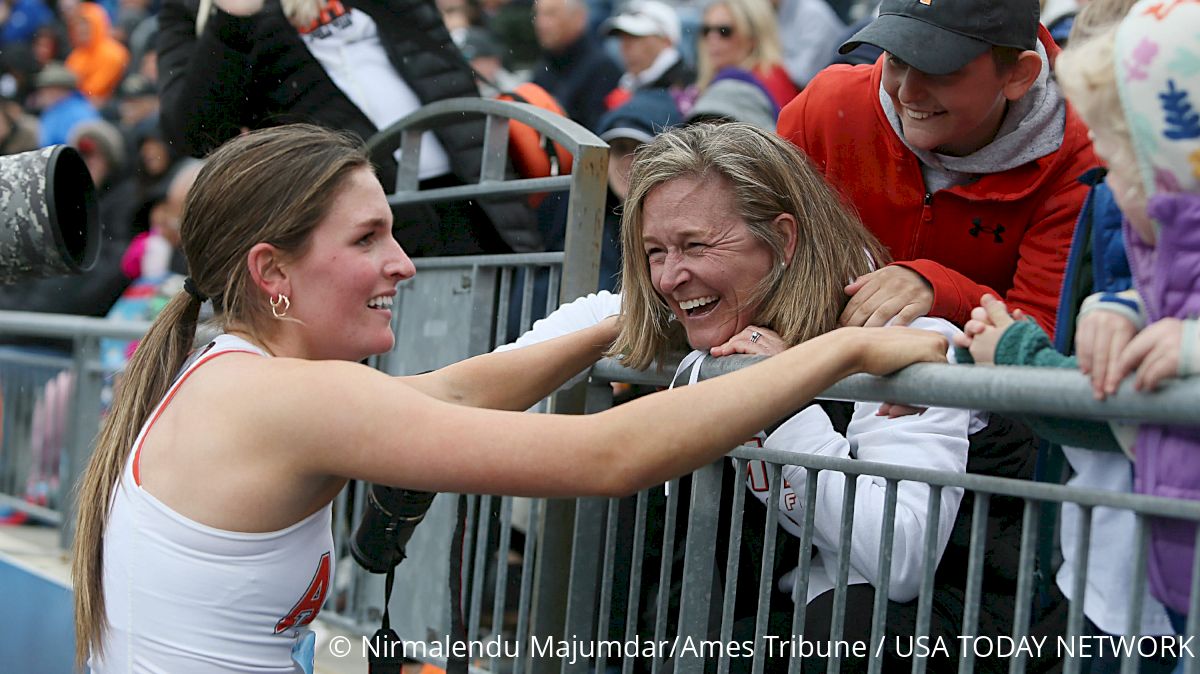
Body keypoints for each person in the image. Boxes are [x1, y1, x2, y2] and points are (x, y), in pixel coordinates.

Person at [70, 123, 948, 673]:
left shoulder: (233, 378)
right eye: (369, 237)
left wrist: (631, 322)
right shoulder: (286, 401)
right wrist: (845, 350)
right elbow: (608, 458)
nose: (403, 264)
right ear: (273, 273)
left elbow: (455, 388)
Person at [498, 122, 1023, 672]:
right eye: (655, 251)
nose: (671, 277)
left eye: (696, 245)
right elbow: (522, 360)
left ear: (784, 238)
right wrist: (628, 327)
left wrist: (785, 401)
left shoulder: (905, 336)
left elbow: (900, 562)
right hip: (794, 617)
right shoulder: (707, 304)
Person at [956, 0, 1200, 649]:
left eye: (1118, 161)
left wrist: (1011, 356)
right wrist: (1123, 306)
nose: (1105, 185)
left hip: (1146, 590)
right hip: (1126, 571)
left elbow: (1115, 407)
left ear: (1172, 164)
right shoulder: (1157, 240)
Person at [777, 0, 1098, 341]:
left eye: (939, 68)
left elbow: (1039, 336)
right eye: (897, 58)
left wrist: (941, 291)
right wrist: (766, 336)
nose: (908, 92)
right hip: (821, 376)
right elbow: (753, 255)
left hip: (965, 390)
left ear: (1018, 75)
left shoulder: (1076, 160)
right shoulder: (826, 108)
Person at [156, 0, 542, 257]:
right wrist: (231, 22)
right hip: (353, 217)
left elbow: (438, 59)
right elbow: (195, 131)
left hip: (472, 192)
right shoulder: (197, 10)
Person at [530, 0, 621, 131]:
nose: (540, 23)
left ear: (579, 18)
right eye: (537, 15)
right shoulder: (546, 65)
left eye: (551, 14)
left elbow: (595, 142)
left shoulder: (602, 69)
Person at [694, 0, 797, 110]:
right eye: (706, 30)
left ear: (752, 38)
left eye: (724, 31)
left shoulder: (769, 81)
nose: (712, 38)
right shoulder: (716, 79)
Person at [600, 0, 694, 111]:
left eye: (636, 37)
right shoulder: (626, 84)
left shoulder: (688, 87)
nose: (625, 46)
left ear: (667, 41)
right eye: (622, 38)